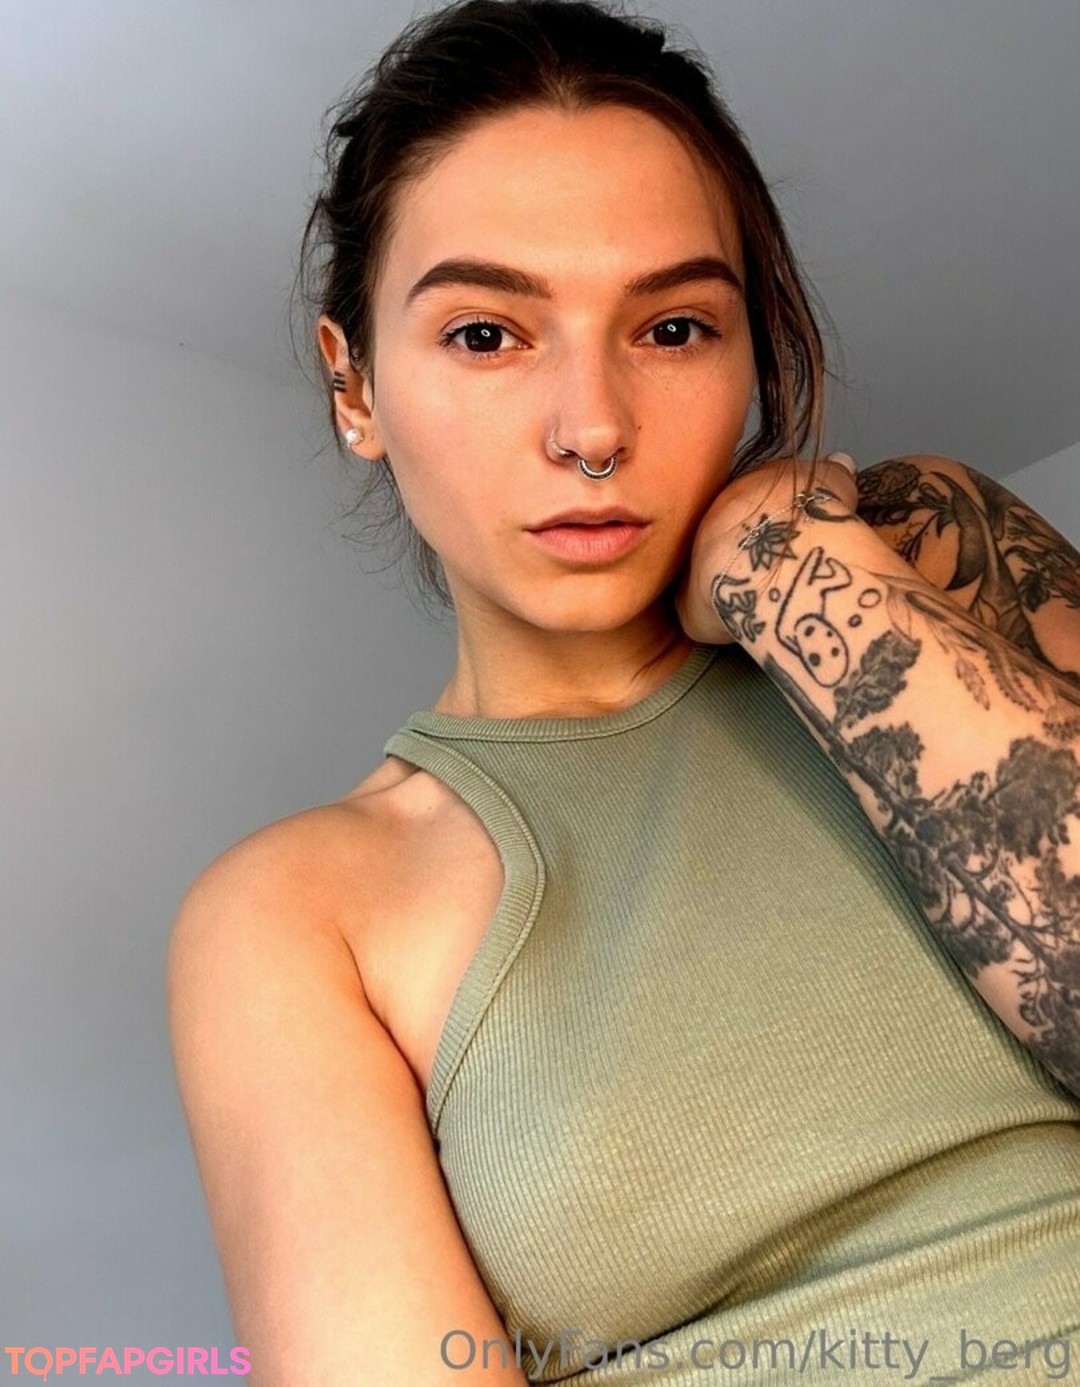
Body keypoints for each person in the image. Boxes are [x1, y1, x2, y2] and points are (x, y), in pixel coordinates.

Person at [166, 2, 1080, 1383]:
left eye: (673, 326)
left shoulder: (923, 554)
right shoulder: (297, 914)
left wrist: (782, 558)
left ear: (752, 350)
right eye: (487, 333)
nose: (593, 428)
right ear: (355, 390)